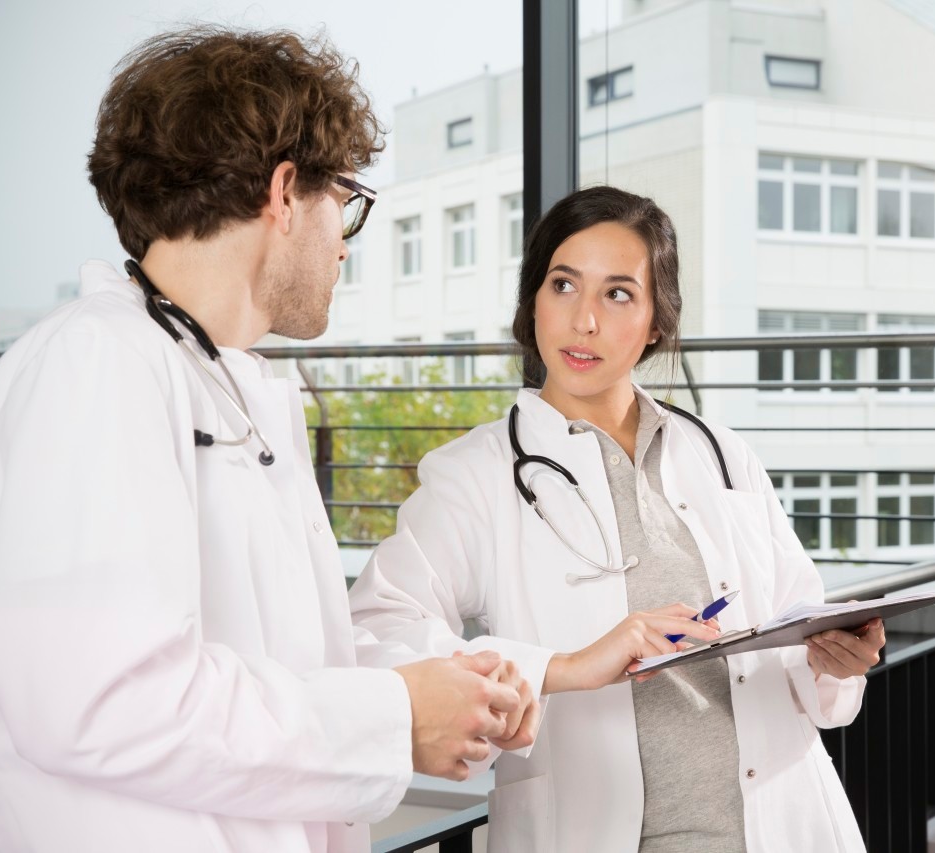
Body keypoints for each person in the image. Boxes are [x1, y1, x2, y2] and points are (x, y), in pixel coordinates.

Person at [0, 27, 537, 852]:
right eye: (342, 199)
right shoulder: (94, 361)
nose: (344, 242)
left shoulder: (218, 377)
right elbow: (104, 702)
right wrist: (393, 716)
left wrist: (440, 686)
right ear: (284, 193)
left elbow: (279, 656)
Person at [349, 185, 887, 852]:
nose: (584, 322)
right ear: (533, 300)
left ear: (657, 319)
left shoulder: (722, 454)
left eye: (618, 294)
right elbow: (376, 631)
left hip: (780, 825)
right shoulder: (475, 476)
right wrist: (563, 665)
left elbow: (796, 640)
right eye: (564, 285)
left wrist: (836, 661)